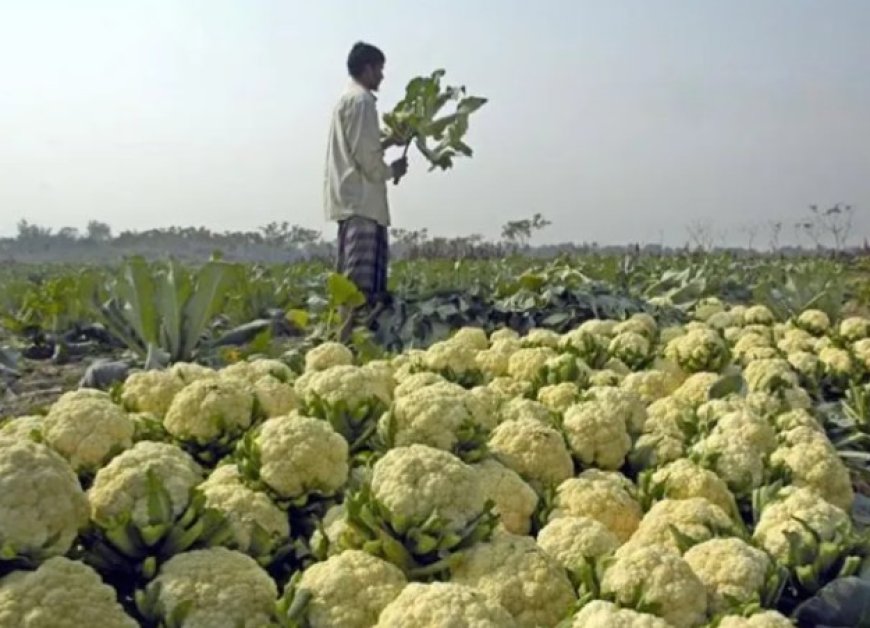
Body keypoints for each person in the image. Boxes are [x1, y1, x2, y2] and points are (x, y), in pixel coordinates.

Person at [323, 41, 407, 333]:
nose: (382, 76)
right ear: (367, 68)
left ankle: (347, 343)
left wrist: (388, 142)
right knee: (359, 290)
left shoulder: (347, 100)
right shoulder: (362, 102)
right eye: (379, 69)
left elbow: (359, 147)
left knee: (353, 285)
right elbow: (367, 160)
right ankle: (349, 344)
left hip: (353, 202)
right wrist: (392, 169)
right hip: (362, 205)